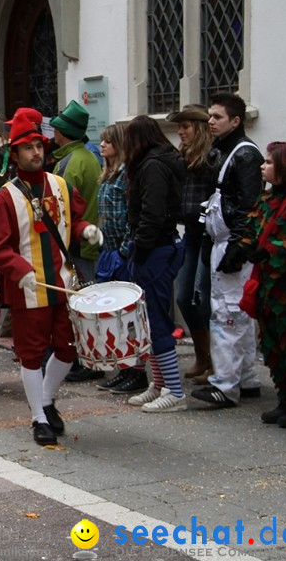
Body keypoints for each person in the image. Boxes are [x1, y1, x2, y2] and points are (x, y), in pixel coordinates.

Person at [0, 109, 101, 445]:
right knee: (31, 354)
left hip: (62, 283)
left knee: (68, 349)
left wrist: (86, 229)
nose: (36, 152)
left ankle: (46, 400)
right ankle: (38, 418)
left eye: (38, 146)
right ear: (14, 154)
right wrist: (19, 271)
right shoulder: (4, 197)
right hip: (29, 289)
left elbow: (70, 222)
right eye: (28, 148)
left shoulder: (60, 185)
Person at [192, 93, 264, 409]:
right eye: (210, 116)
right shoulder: (225, 151)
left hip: (232, 246)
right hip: (224, 242)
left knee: (227, 316)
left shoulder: (245, 155)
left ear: (235, 121)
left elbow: (250, 205)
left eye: (217, 117)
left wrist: (238, 247)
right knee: (239, 315)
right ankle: (246, 380)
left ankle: (225, 385)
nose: (210, 121)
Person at [119, 116, 188, 412]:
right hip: (156, 247)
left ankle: (175, 390)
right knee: (148, 321)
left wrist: (142, 248)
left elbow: (153, 212)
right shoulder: (158, 161)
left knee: (157, 320)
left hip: (155, 250)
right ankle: (158, 383)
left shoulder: (152, 166)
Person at [242, 141, 286, 428]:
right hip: (268, 285)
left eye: (268, 162)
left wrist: (273, 249)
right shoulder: (268, 199)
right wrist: (243, 246)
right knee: (272, 344)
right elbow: (253, 229)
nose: (262, 166)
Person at [92, 123, 149, 395]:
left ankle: (135, 371)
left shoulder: (127, 175)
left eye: (108, 142)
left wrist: (126, 248)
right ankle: (122, 368)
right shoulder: (107, 175)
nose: (102, 146)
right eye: (101, 141)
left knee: (127, 315)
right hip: (108, 250)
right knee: (110, 315)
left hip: (121, 252)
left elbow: (130, 214)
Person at [49, 100, 102, 382]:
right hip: (88, 240)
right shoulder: (89, 156)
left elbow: (61, 207)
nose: (52, 134)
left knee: (78, 304)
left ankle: (83, 361)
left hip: (75, 243)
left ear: (64, 133)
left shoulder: (69, 163)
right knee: (86, 301)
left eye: (56, 129)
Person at [166, 104, 216, 384]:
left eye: (185, 127)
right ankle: (202, 354)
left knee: (203, 298)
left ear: (198, 128)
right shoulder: (181, 156)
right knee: (184, 296)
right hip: (191, 235)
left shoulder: (212, 157)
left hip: (209, 236)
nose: (180, 132)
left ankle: (214, 362)